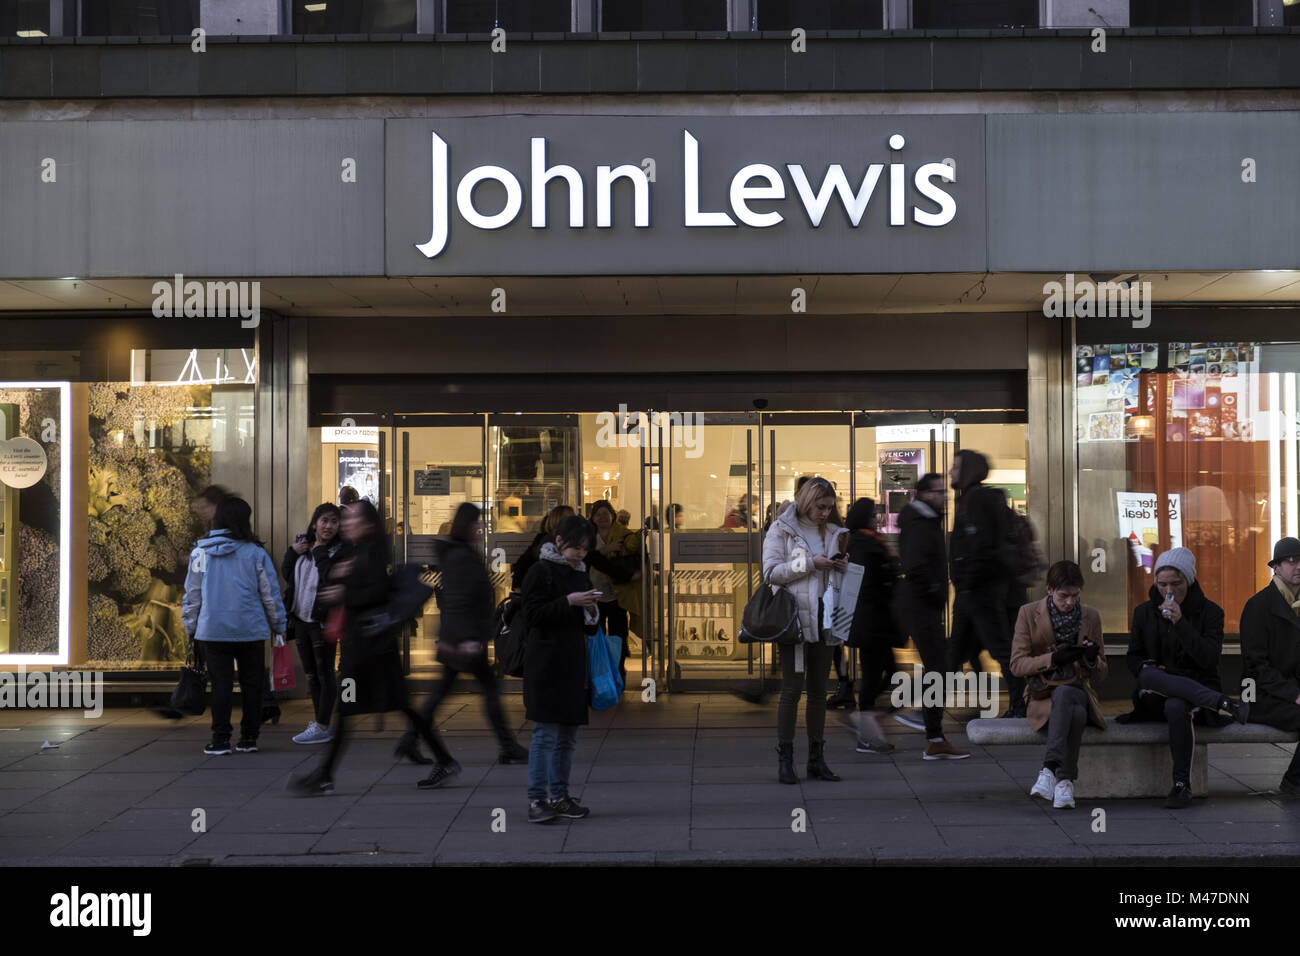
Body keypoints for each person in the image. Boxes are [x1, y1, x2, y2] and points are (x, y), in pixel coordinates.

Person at [289, 500, 457, 794]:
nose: (346, 523)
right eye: (346, 518)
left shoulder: (371, 553)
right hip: (366, 649)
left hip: (371, 651)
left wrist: (344, 591)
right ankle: (443, 760)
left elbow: (377, 592)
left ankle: (325, 775)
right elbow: (339, 579)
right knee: (380, 708)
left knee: (365, 708)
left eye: (352, 518)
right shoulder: (356, 551)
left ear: (367, 524)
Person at [396, 503, 528, 767]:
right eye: (477, 523)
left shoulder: (460, 553)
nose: (481, 528)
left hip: (459, 638)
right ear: (467, 525)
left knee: (442, 694)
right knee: (486, 692)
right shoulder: (460, 556)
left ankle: (410, 740)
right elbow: (459, 601)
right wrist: (469, 639)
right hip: (464, 640)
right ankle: (507, 746)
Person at [1122, 547, 1248, 808]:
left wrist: (1181, 624)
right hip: (1153, 692)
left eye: (1175, 584)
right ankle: (1223, 702)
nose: (1168, 590)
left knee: (1177, 704)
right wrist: (1150, 667)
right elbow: (1133, 658)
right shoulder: (1145, 612)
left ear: (1188, 581)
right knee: (1148, 676)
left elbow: (1209, 659)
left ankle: (1181, 785)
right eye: (1161, 583)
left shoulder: (1210, 613)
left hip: (1194, 696)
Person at [182, 496, 286, 756]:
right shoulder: (255, 553)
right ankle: (249, 738)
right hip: (250, 629)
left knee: (221, 686)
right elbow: (270, 594)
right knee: (252, 685)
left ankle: (220, 740)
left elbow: (192, 594)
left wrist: (191, 627)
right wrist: (278, 624)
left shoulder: (200, 553)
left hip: (213, 630)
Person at [763, 477, 846, 784]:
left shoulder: (834, 532)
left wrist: (840, 565)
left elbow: (828, 574)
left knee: (818, 693)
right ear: (806, 501)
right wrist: (811, 564)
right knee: (791, 690)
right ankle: (785, 759)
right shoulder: (781, 529)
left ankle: (816, 758)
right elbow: (771, 572)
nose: (825, 513)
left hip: (826, 617)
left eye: (829, 507)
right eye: (820, 506)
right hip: (795, 621)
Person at [522, 514, 601, 823]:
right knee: (544, 734)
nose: (581, 554)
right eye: (576, 548)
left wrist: (592, 611)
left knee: (567, 736)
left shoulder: (581, 573)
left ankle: (560, 795)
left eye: (585, 549)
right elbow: (533, 615)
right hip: (545, 663)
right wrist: (569, 601)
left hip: (573, 662)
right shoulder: (539, 572)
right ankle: (537, 799)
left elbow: (589, 629)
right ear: (558, 542)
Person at [1009, 560, 1106, 809]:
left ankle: (1049, 769)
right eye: (1064, 596)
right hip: (1044, 696)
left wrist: (1092, 659)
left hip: (1080, 689)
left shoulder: (1090, 616)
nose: (1070, 602)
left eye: (1076, 596)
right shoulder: (1028, 613)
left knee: (1068, 695)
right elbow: (1017, 665)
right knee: (1072, 712)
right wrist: (1052, 659)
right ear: (1049, 590)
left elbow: (1102, 674)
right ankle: (1065, 782)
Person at [948, 450, 1022, 717]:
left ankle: (1020, 703)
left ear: (968, 470)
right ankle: (929, 711)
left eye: (955, 467)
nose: (950, 472)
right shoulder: (974, 499)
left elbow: (981, 545)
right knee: (958, 651)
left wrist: (967, 582)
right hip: (978, 589)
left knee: (999, 648)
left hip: (979, 591)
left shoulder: (975, 499)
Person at [842, 498, 910, 755]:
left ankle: (868, 722)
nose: (877, 519)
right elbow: (874, 580)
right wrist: (892, 569)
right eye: (873, 515)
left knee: (887, 672)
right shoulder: (863, 544)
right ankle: (866, 730)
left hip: (874, 621)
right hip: (871, 621)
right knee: (875, 675)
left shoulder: (866, 541)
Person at [1241, 537, 1300, 798]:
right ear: (1276, 567)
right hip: (1261, 696)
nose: (1298, 566)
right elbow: (1256, 666)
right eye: (1292, 561)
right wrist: (1293, 694)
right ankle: (1293, 782)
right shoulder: (1258, 606)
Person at [282, 502, 344, 745]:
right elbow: (288, 575)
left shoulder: (338, 552)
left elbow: (331, 579)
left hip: (321, 621)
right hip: (301, 619)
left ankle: (323, 723)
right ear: (314, 523)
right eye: (324, 521)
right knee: (311, 675)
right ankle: (321, 722)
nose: (328, 526)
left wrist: (318, 552)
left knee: (325, 672)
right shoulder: (303, 548)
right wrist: (291, 552)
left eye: (334, 522)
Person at [585, 500, 641, 688]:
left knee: (619, 636)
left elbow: (636, 551)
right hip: (593, 595)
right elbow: (586, 559)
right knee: (596, 636)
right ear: (592, 518)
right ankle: (600, 674)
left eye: (606, 513)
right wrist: (605, 550)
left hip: (618, 594)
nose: (602, 516)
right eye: (598, 513)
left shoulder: (624, 535)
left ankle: (618, 672)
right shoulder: (588, 537)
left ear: (613, 515)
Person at [511, 504, 574, 592]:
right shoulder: (544, 540)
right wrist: (518, 587)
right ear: (557, 520)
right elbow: (524, 562)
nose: (571, 521)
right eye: (567, 518)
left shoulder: (576, 540)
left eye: (573, 517)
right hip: (546, 590)